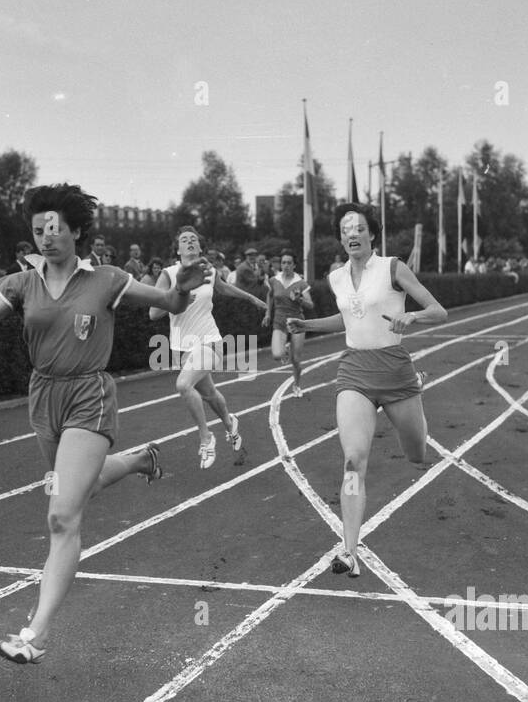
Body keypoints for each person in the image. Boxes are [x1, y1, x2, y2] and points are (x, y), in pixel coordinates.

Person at [0, 184, 210, 665]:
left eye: (54, 229)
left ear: (75, 232)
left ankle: (36, 633)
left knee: (62, 515)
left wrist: (182, 285)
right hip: (43, 397)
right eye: (37, 231)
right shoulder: (20, 284)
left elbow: (172, 306)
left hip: (89, 396)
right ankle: (139, 460)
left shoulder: (108, 279)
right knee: (80, 485)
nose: (45, 238)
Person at [287, 204, 447, 577]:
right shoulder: (336, 277)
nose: (353, 234)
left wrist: (413, 315)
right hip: (355, 370)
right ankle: (349, 551)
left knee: (417, 453)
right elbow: (346, 318)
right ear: (341, 238)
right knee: (352, 460)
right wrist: (305, 324)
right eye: (346, 230)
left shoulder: (393, 267)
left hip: (394, 368)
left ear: (372, 234)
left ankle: (417, 389)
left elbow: (439, 311)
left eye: (359, 228)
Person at [150, 225, 265, 469]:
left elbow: (225, 288)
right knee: (209, 394)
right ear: (178, 248)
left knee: (183, 385)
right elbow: (153, 313)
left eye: (194, 239)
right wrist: (178, 297)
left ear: (200, 247)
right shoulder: (169, 274)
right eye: (184, 239)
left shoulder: (209, 271)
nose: (190, 241)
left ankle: (206, 437)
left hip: (210, 341)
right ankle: (230, 423)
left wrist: (252, 298)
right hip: (183, 347)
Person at [264, 252, 314, 396]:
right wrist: (268, 313)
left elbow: (310, 305)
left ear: (294, 265)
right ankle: (285, 349)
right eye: (283, 262)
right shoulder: (274, 280)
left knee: (296, 360)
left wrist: (299, 299)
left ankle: (297, 385)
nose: (285, 265)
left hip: (296, 323)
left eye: (289, 263)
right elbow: (270, 295)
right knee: (276, 354)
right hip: (279, 321)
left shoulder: (300, 283)